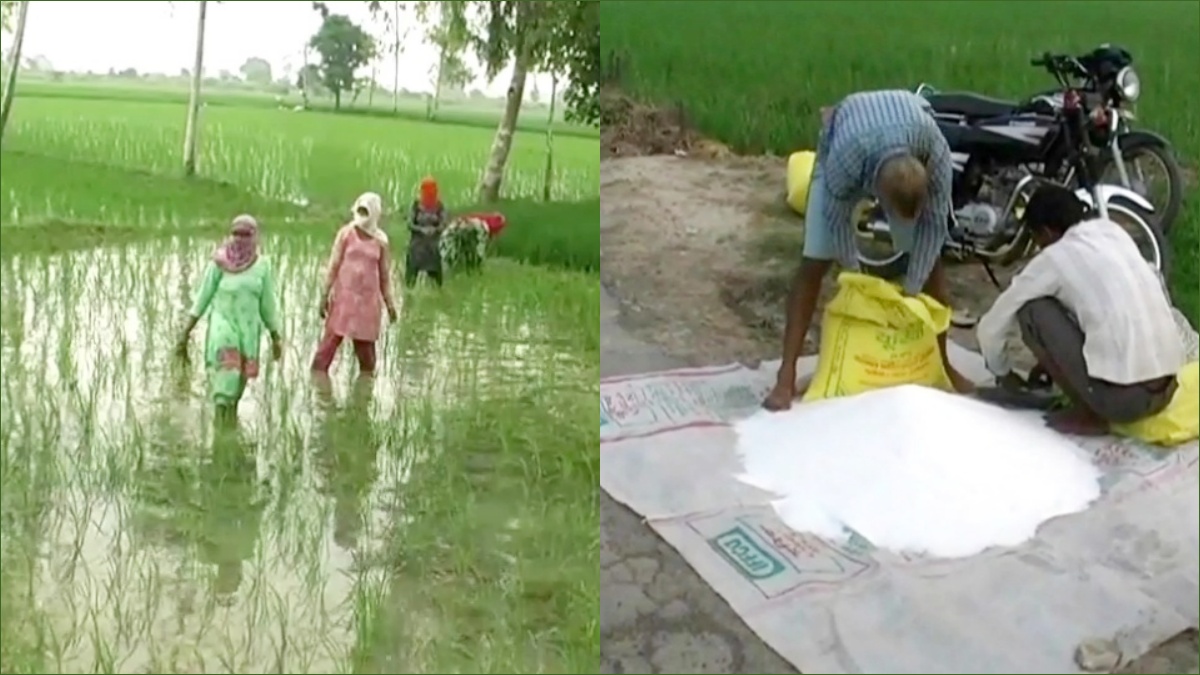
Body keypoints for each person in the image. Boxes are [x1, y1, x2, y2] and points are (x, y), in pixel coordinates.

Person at [763, 90, 973, 411]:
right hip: (845, 138)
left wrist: (912, 289)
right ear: (878, 197)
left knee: (932, 268)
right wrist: (857, 281)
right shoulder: (847, 158)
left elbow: (933, 230)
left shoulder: (935, 152)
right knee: (814, 260)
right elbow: (835, 220)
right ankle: (786, 373)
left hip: (906, 129)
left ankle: (942, 363)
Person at [976, 184, 1186, 435]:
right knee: (1083, 302)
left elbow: (991, 327)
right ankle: (1099, 392)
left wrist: (1004, 373)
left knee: (1032, 311)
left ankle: (1089, 413)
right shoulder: (1112, 231)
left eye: (1036, 238)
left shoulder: (1053, 257)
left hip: (1125, 403)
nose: (1038, 245)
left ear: (1046, 231)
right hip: (1169, 387)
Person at [177, 214, 283, 421]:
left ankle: (229, 431)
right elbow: (203, 297)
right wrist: (185, 332)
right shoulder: (219, 263)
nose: (240, 239)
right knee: (226, 381)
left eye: (245, 234)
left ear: (255, 236)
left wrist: (275, 336)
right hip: (223, 329)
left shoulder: (262, 266)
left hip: (249, 332)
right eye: (236, 233)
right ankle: (221, 434)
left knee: (237, 391)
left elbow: (268, 304)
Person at [312, 192, 398, 376]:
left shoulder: (381, 241)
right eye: (360, 210)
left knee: (367, 358)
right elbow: (333, 265)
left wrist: (390, 305)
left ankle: (364, 396)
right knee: (326, 350)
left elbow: (384, 277)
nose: (362, 215)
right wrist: (324, 296)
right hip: (344, 300)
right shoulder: (346, 234)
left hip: (367, 304)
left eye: (366, 211)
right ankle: (318, 389)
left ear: (375, 213)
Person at [407, 177, 447, 287]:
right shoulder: (416, 205)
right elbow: (410, 223)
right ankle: (410, 287)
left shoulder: (439, 206)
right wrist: (421, 230)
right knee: (413, 264)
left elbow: (443, 223)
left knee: (436, 269)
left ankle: (438, 290)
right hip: (418, 243)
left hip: (433, 244)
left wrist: (435, 229)